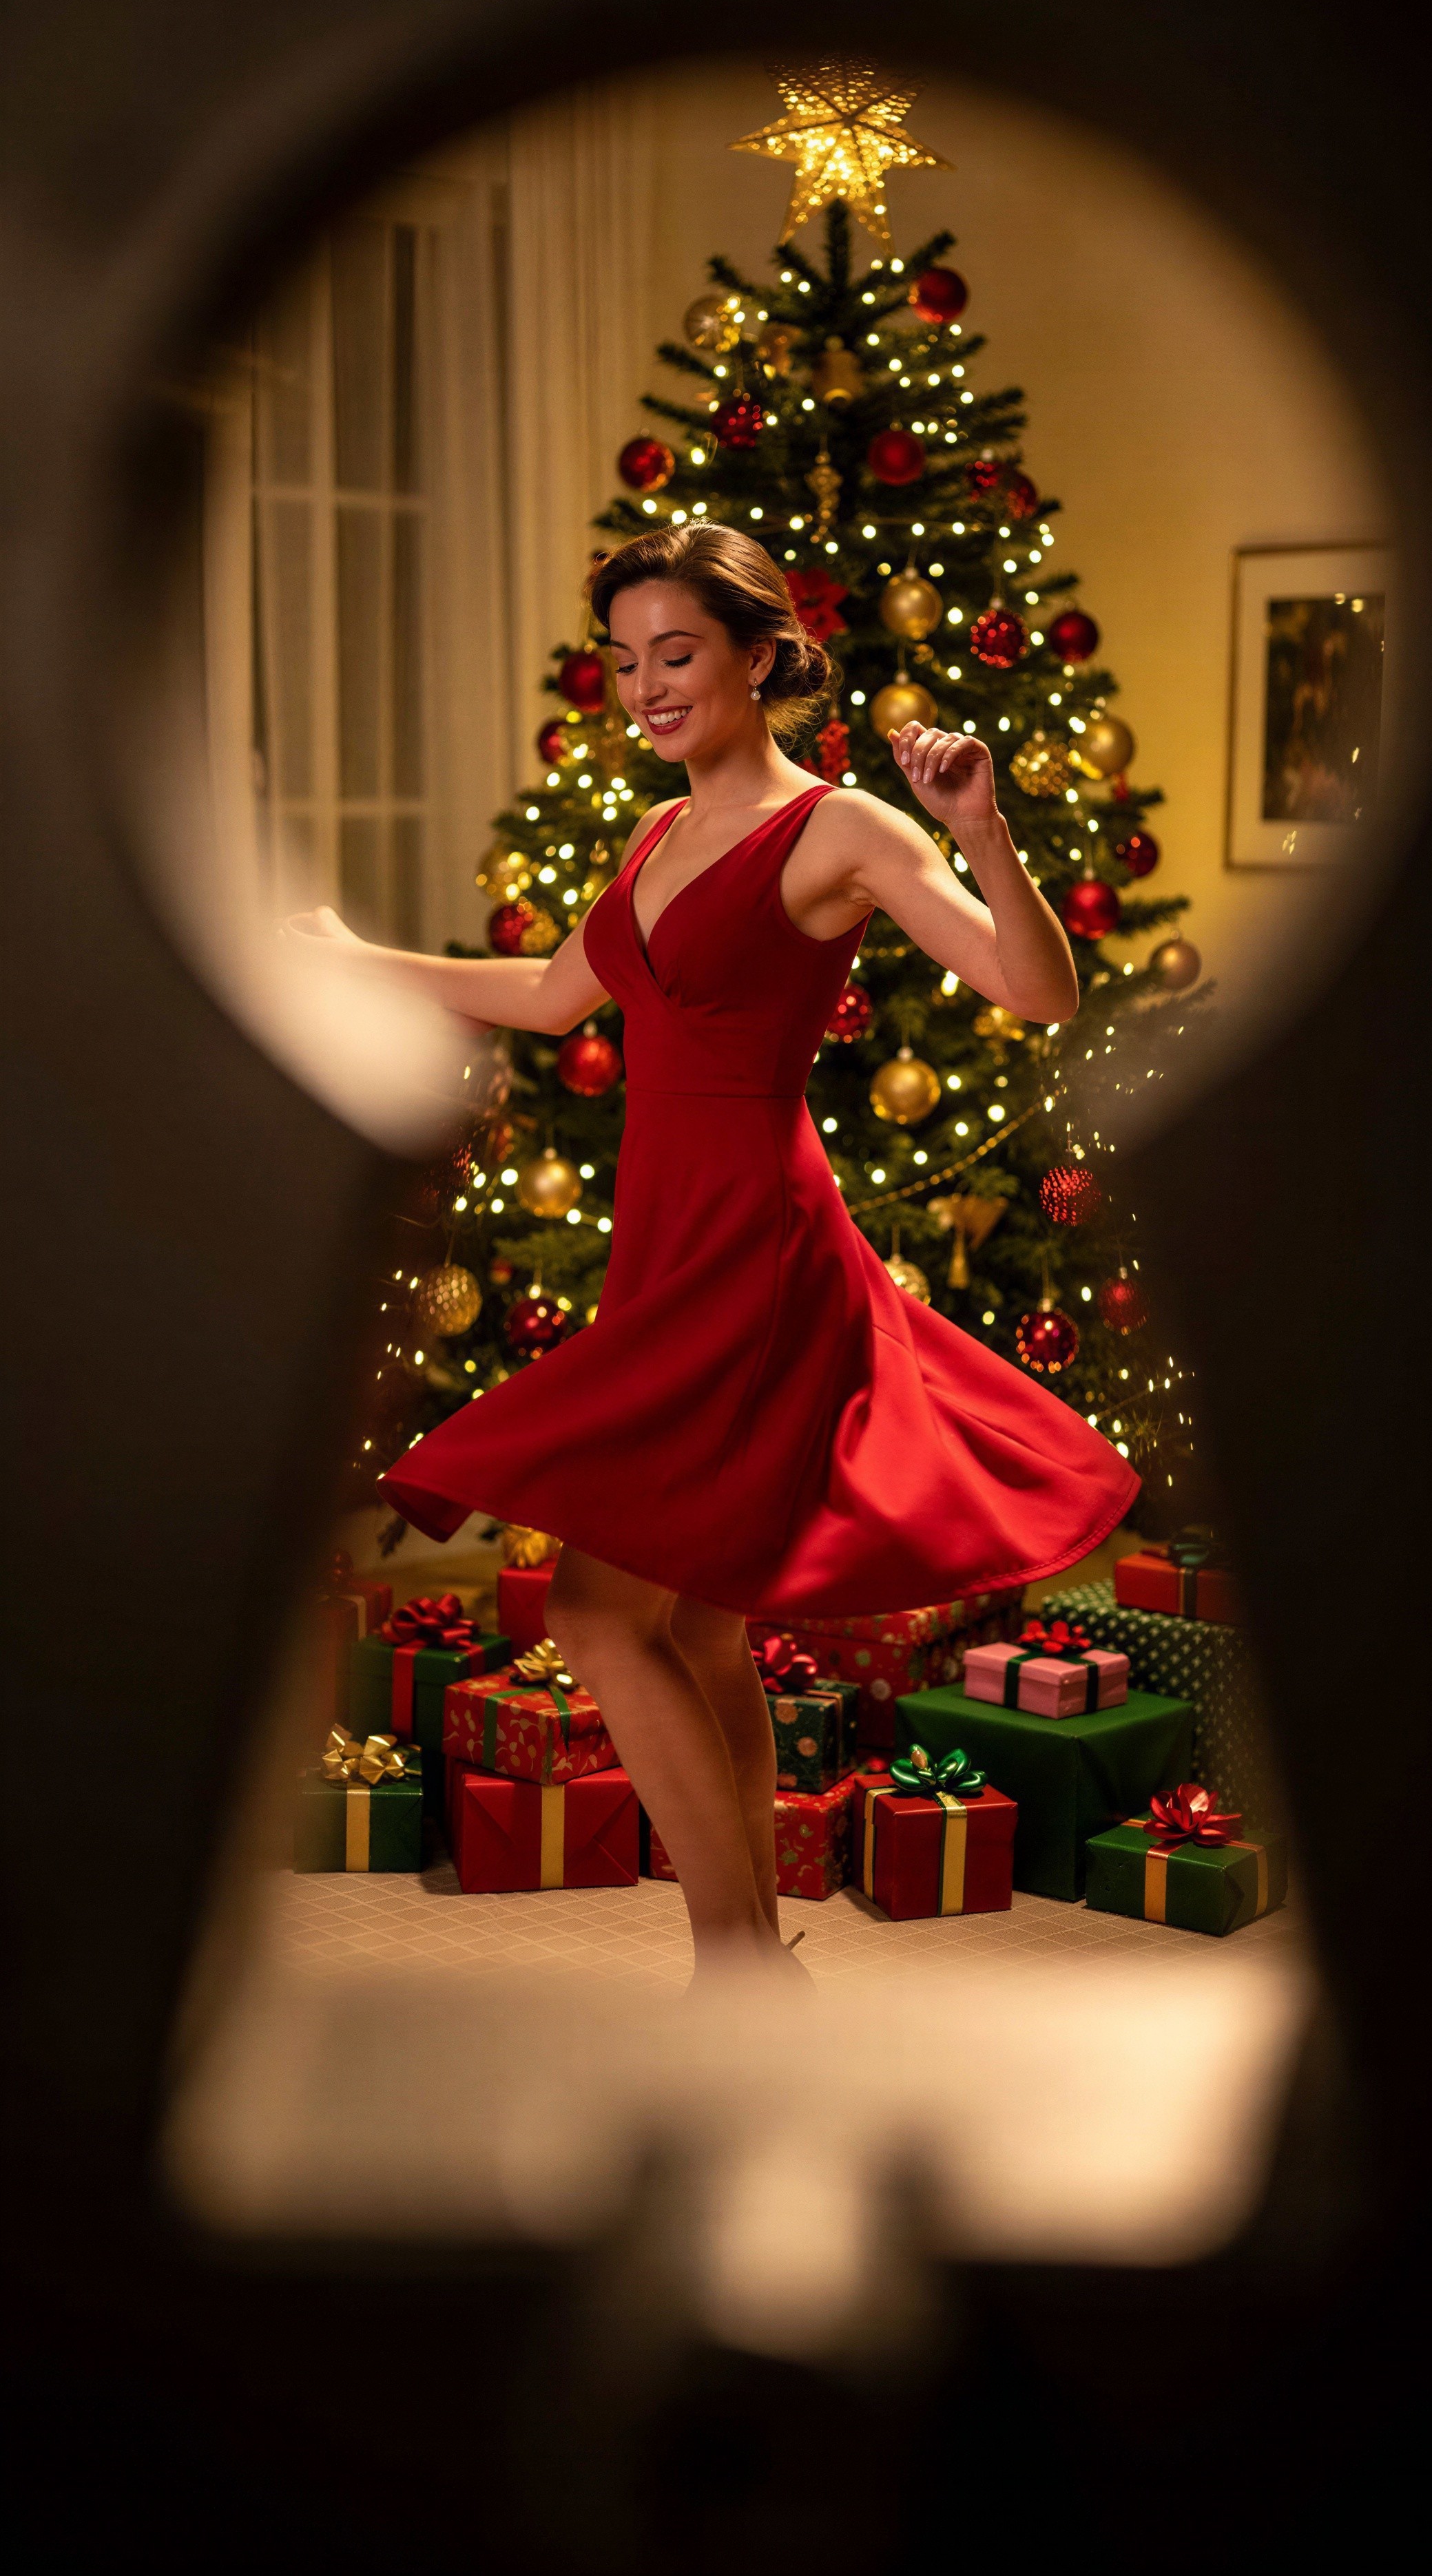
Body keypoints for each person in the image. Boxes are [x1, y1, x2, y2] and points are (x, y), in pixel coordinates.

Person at [288, 524, 1138, 1981]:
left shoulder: (844, 828)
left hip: (754, 1239)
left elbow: (1030, 989)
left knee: (597, 1611)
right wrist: (357, 962)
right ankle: (757, 1962)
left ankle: (739, 1962)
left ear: (761, 654)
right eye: (624, 662)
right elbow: (559, 998)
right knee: (696, 1619)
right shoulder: (654, 833)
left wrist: (984, 827)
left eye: (676, 654)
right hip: (664, 1239)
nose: (646, 687)